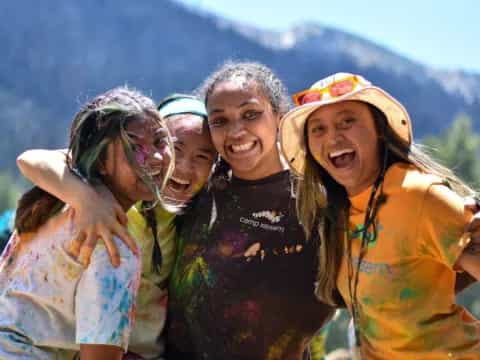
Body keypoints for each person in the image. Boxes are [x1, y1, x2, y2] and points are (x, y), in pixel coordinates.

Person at [279, 72, 480, 358]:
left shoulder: (418, 194)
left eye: (347, 121)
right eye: (318, 129)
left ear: (380, 129)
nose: (333, 136)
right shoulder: (337, 212)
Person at [14, 93, 216, 359]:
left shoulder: (198, 212)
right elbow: (33, 159)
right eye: (176, 148)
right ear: (100, 161)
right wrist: (88, 199)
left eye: (159, 142)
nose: (156, 157)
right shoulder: (112, 234)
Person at [166, 61, 334, 359]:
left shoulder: (315, 203)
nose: (236, 131)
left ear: (280, 118)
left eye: (251, 114)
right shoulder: (200, 187)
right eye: (220, 120)